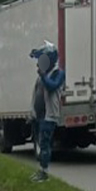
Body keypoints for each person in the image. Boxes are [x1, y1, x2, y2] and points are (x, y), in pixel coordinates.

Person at [29, 41, 64, 182]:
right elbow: (36, 93)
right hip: (39, 115)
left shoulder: (58, 74)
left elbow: (52, 87)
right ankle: (41, 170)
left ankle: (44, 173)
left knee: (45, 144)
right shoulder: (42, 76)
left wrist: (43, 75)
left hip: (49, 116)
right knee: (40, 143)